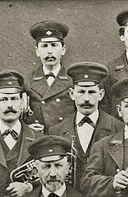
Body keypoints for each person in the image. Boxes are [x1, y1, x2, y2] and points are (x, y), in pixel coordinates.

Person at [48, 62, 123, 190]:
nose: (86, 98)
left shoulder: (119, 128)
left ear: (101, 94)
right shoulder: (56, 131)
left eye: (92, 92)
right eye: (81, 92)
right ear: (71, 94)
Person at [23, 20, 75, 132]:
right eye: (44, 46)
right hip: (38, 142)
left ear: (63, 50)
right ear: (37, 51)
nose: (49, 51)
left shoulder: (73, 80)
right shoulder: (27, 81)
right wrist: (26, 129)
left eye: (54, 45)